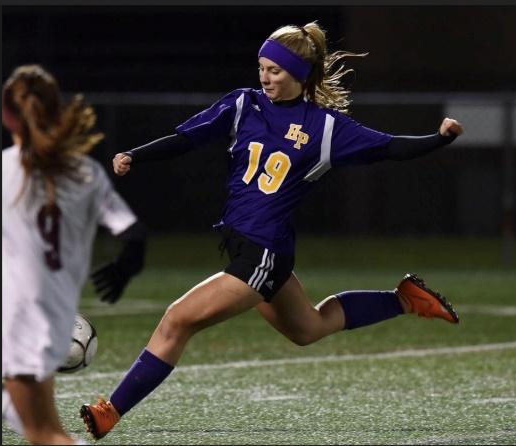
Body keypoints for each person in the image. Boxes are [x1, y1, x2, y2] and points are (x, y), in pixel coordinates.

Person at [80, 22, 464, 440]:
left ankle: (110, 410)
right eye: (261, 67)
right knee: (309, 328)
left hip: (262, 254)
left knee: (177, 320)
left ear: (298, 74)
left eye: (275, 70)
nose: (265, 77)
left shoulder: (325, 128)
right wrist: (136, 155)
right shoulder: (243, 104)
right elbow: (186, 138)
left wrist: (439, 138)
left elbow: (389, 147)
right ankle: (405, 299)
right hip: (251, 248)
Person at [2, 64, 148, 445]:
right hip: (53, 314)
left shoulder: (3, 170)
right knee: (38, 427)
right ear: (56, 113)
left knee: (44, 433)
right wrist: (125, 267)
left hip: (14, 316)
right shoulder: (84, 173)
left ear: (7, 117)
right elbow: (134, 234)